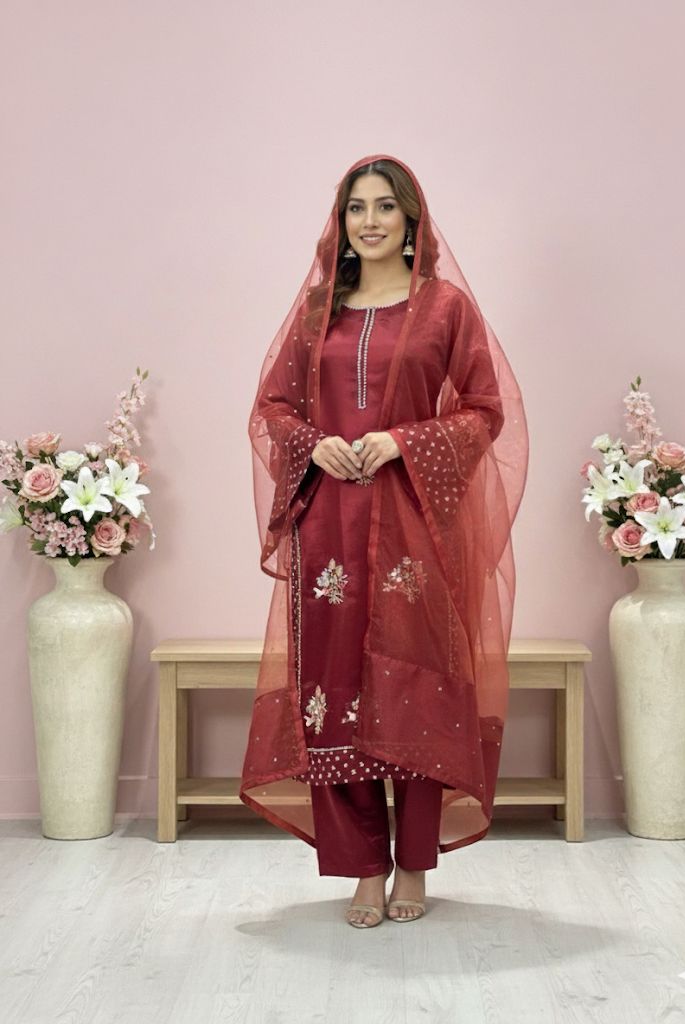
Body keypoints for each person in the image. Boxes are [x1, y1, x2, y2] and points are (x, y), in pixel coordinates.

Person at [239, 153, 529, 929]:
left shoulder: (445, 308)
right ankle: (363, 866)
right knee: (332, 691)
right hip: (328, 528)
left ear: (410, 221)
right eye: (355, 208)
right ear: (340, 222)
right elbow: (272, 408)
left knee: (418, 690)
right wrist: (314, 445)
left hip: (414, 526)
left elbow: (484, 409)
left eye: (383, 207)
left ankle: (413, 863)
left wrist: (403, 441)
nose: (368, 221)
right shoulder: (316, 312)